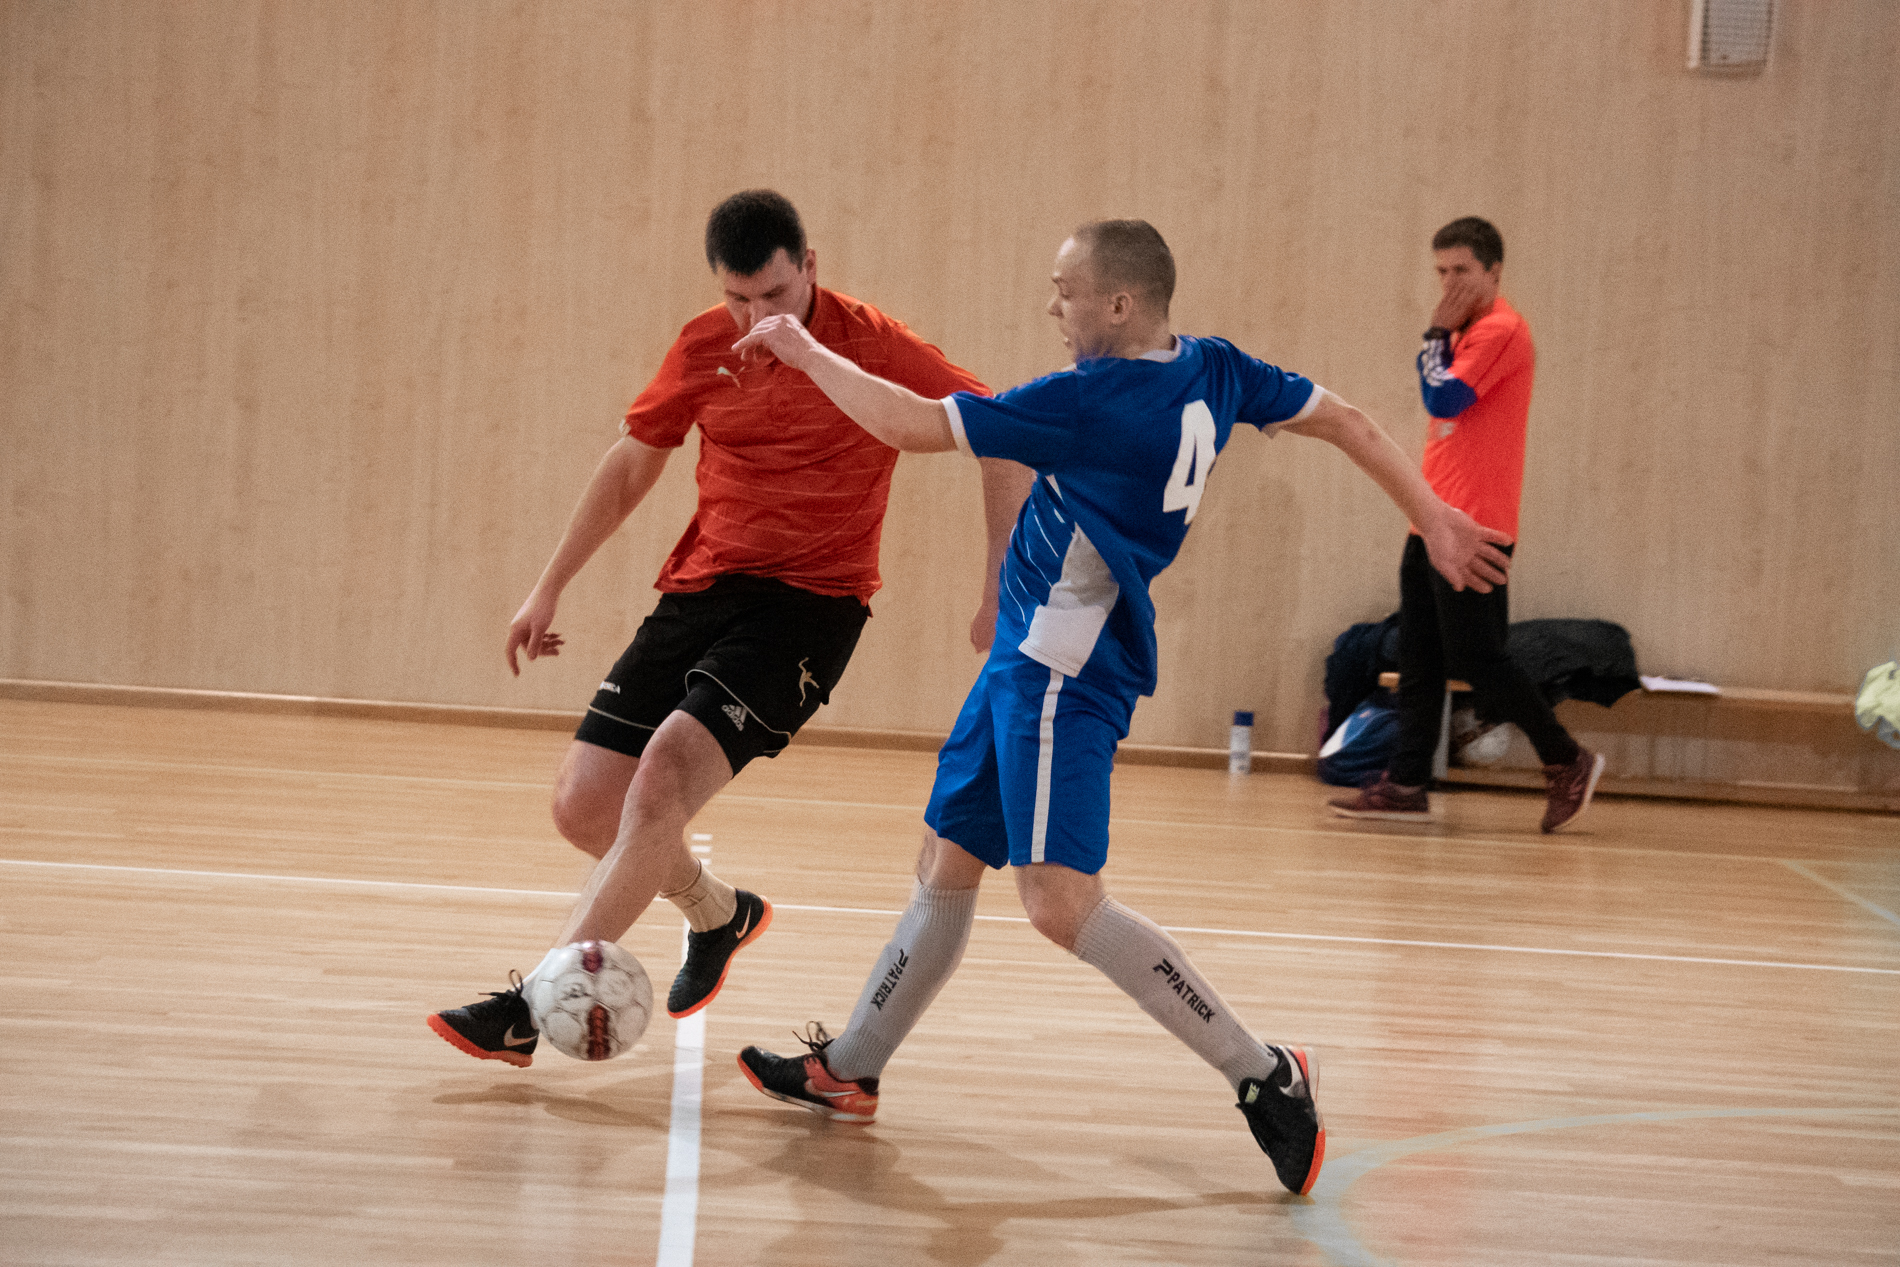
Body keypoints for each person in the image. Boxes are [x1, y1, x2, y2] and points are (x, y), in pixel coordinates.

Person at [724, 220, 1512, 1195]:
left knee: (1060, 904)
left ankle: (1264, 1071)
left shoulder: (1088, 401)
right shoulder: (1215, 369)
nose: (1052, 308)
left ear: (1120, 303)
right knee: (948, 857)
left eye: (1066, 292)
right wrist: (1431, 515)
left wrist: (803, 348)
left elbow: (911, 423)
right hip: (1025, 659)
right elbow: (1346, 419)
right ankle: (850, 1068)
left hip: (1063, 673)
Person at [427, 190, 995, 1067]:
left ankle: (530, 1006)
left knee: (660, 780)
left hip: (810, 605)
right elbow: (632, 463)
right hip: (702, 590)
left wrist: (997, 585)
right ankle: (717, 912)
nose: (757, 318)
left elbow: (998, 428)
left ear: (810, 267)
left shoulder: (873, 344)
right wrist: (548, 587)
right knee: (585, 808)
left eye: (775, 295)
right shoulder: (703, 345)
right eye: (738, 299)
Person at [1328, 217, 1604, 833]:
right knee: (1420, 659)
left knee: (1480, 658)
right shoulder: (1465, 333)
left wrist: (1434, 332)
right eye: (1442, 272)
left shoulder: (1501, 329)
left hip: (1476, 528)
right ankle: (1406, 784)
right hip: (1430, 520)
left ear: (1494, 273)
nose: (1449, 284)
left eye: (1462, 271)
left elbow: (1444, 398)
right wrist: (1442, 337)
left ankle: (1566, 759)